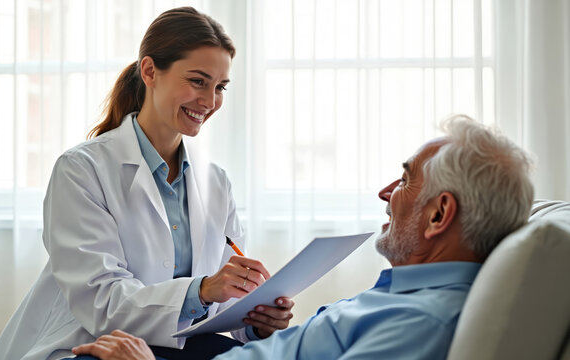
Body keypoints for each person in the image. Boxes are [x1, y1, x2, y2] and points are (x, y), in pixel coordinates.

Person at [69, 115, 535, 359]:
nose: (385, 193)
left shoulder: (419, 323)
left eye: (405, 179)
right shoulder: (408, 299)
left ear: (439, 215)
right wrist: (251, 319)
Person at [0, 7, 294, 360]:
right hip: (87, 344)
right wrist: (205, 289)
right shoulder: (82, 169)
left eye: (219, 86)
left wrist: (256, 320)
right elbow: (101, 302)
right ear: (150, 71)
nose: (210, 101)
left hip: (173, 346)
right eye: (197, 81)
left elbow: (217, 306)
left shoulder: (215, 182)